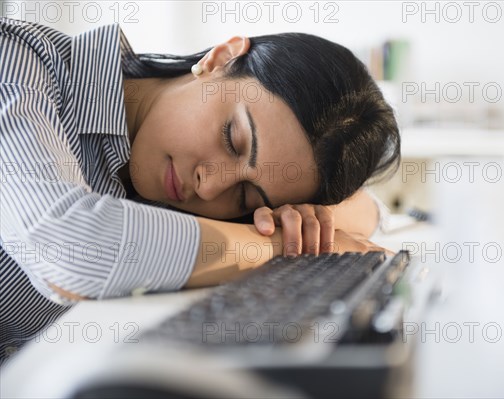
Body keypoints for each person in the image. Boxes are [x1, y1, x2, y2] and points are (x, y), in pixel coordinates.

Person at [0, 17, 400, 361]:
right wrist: (278, 243)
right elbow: (69, 249)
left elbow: (367, 210)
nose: (210, 189)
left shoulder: (166, 169)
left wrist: (310, 221)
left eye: (246, 197)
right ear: (220, 59)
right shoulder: (18, 62)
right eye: (233, 139)